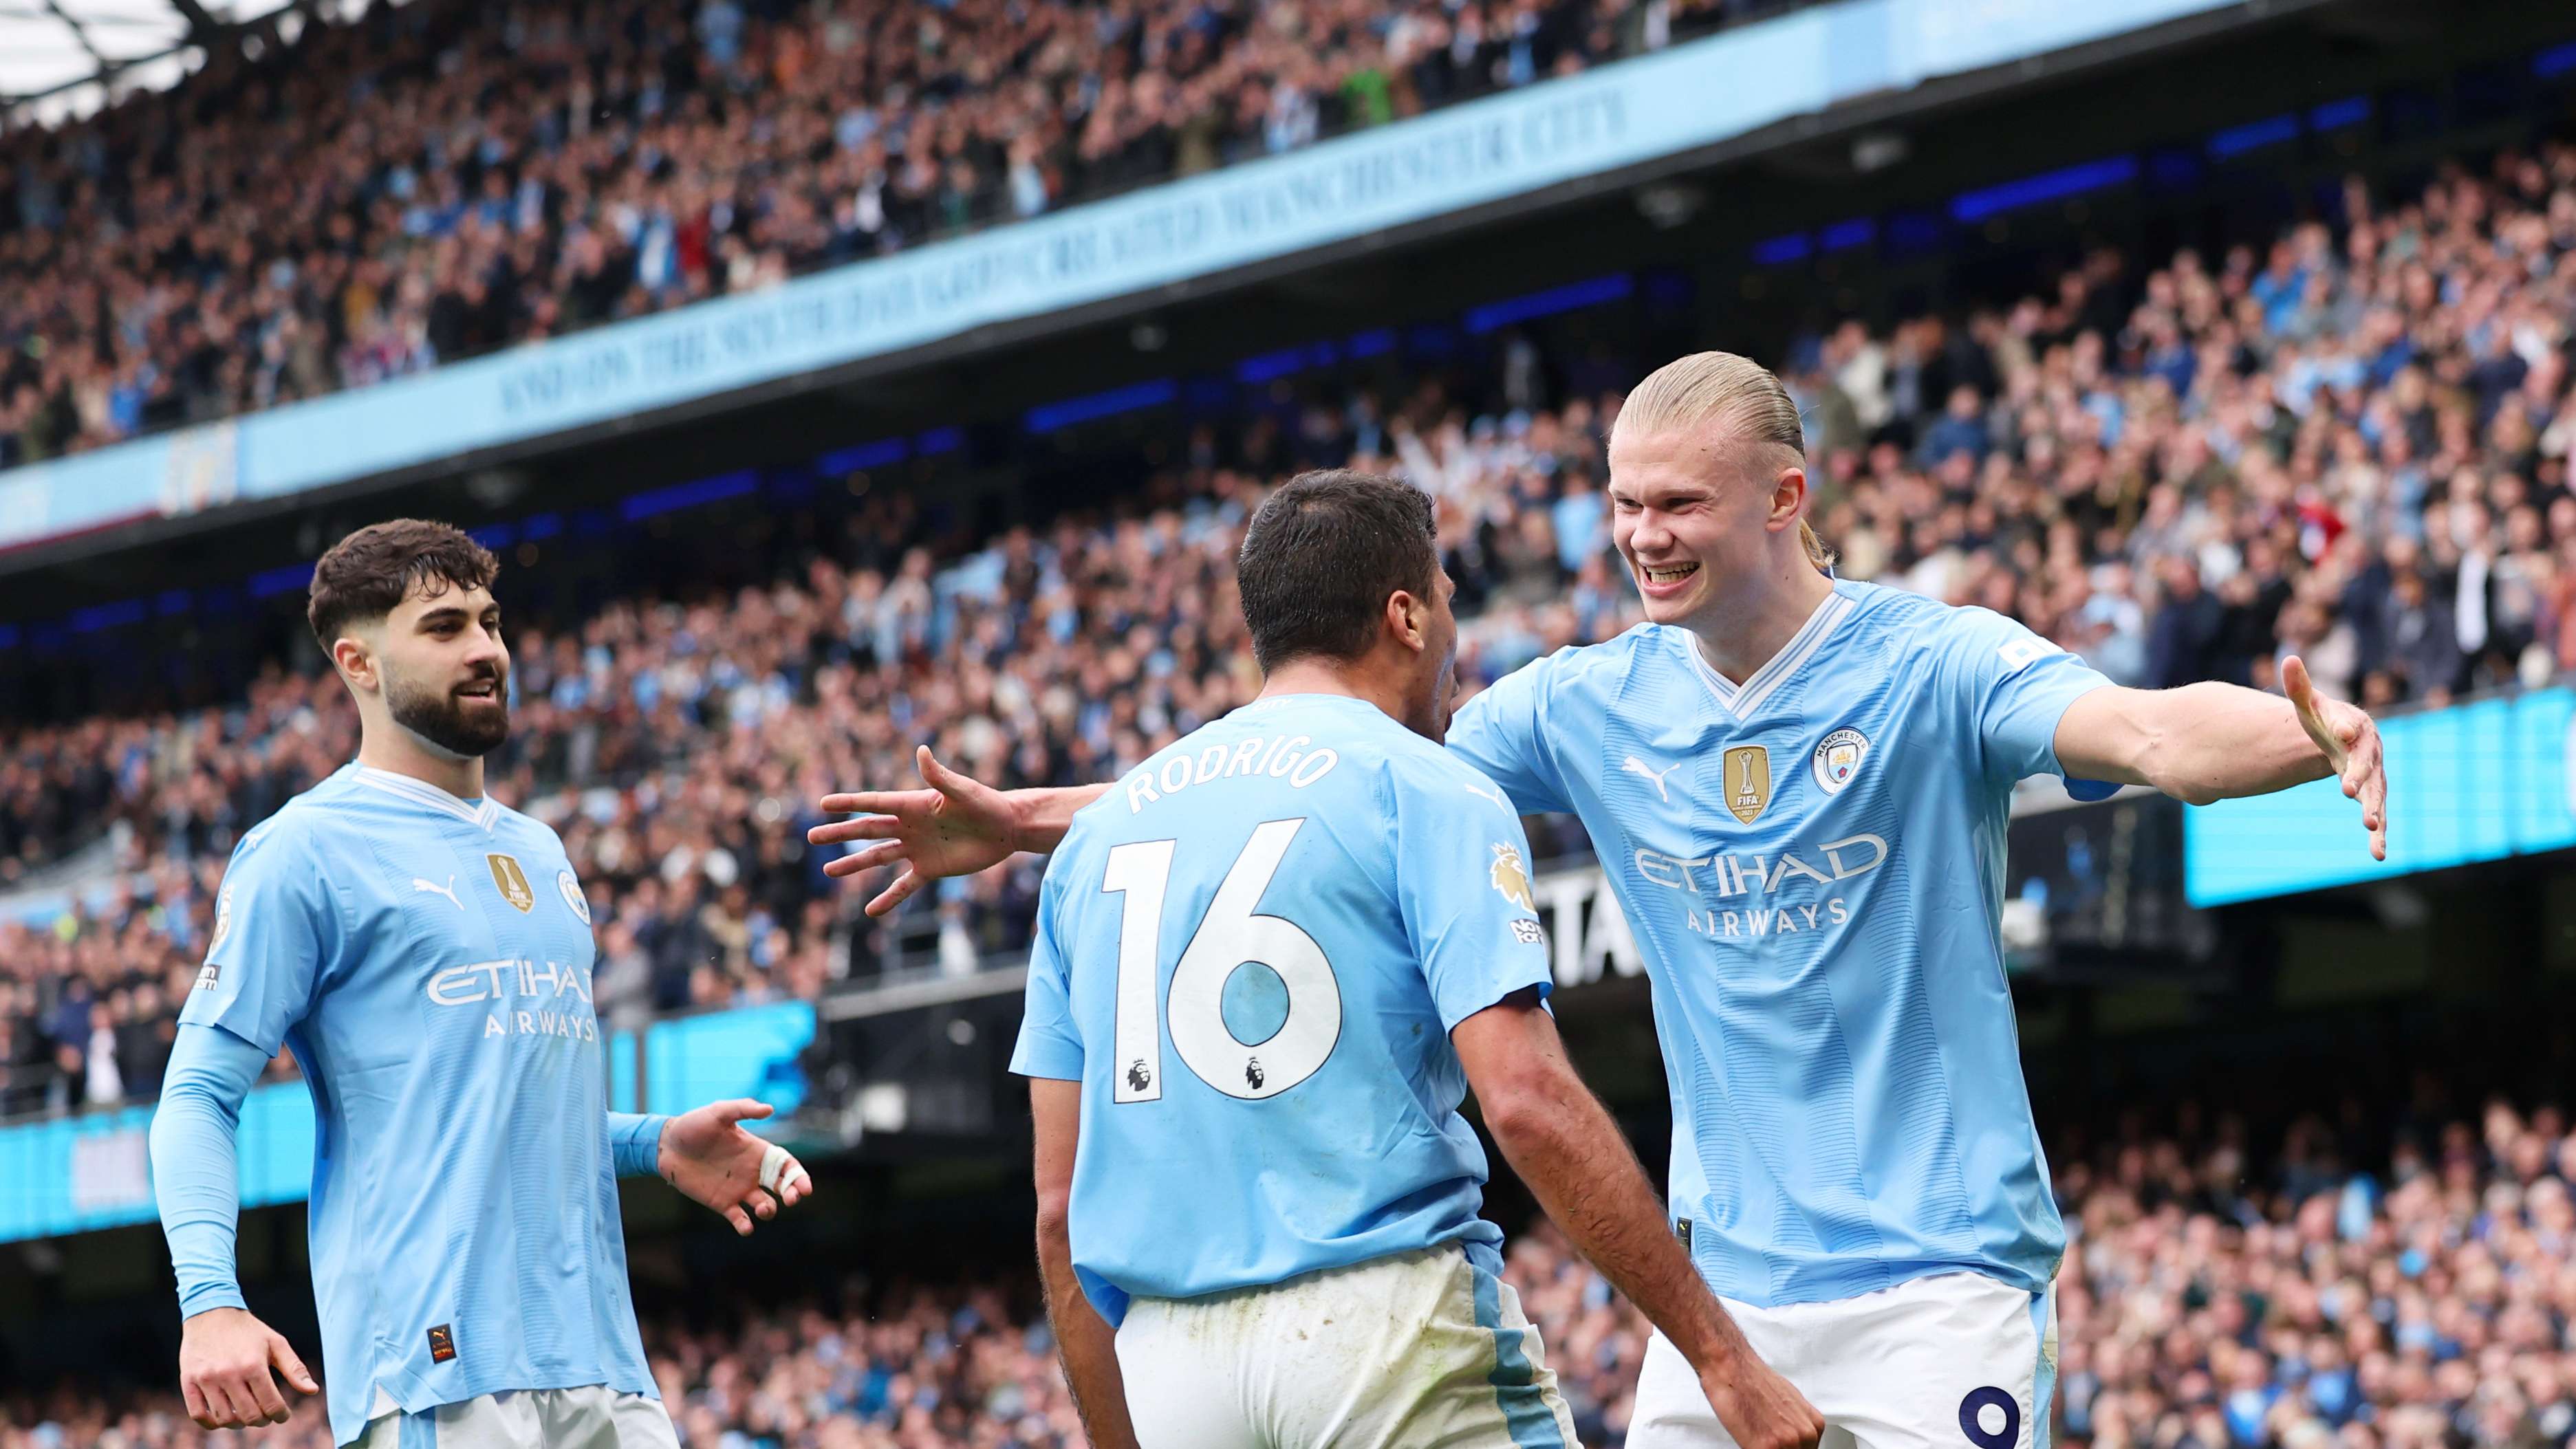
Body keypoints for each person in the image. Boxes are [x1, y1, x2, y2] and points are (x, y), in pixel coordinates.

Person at [812, 353, 2388, 1449]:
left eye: (1678, 507)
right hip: (1729, 1292)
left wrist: (2309, 734)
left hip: (1938, 1282)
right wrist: (1023, 823)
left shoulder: (1932, 663)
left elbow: (2153, 730)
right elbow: (1313, 774)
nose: (1639, 536)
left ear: (1782, 496)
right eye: (1624, 505)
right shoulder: (1581, 703)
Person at [1009, 471, 1821, 1449]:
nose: (1452, 635)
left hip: (1168, 1368)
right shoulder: (1425, 785)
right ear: (1402, 614)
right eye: (1443, 601)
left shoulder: (1090, 846)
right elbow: (1524, 1100)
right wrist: (1720, 1357)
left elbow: (1058, 1212)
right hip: (1380, 1332)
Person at [149, 520, 814, 1448]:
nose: (484, 649)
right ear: (360, 663)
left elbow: (494, 1104)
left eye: (490, 621)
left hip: (604, 1369)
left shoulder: (538, 852)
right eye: (443, 627)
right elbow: (197, 1095)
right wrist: (210, 1302)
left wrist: (652, 1142)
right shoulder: (303, 853)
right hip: (440, 1375)